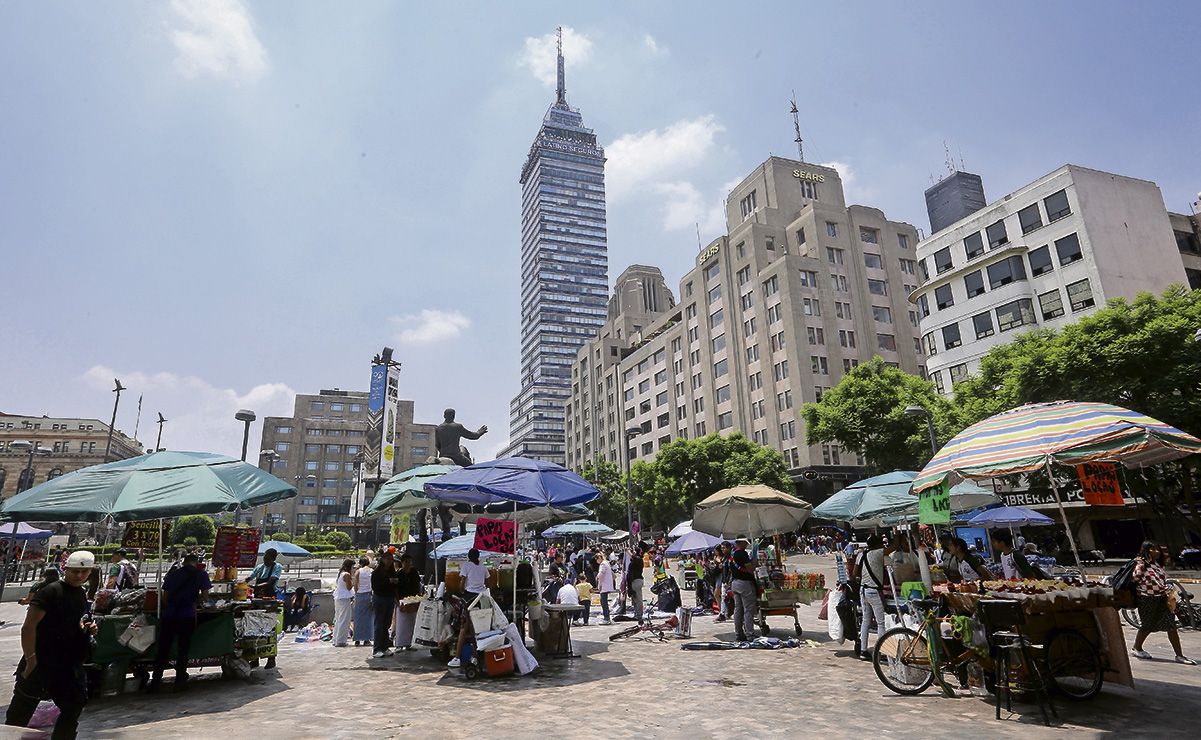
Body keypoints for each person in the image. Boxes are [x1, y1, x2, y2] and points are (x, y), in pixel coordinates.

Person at [5, 550, 98, 740]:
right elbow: (28, 628)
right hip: (42, 660)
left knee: (74, 704)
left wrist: (85, 628)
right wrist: (31, 660)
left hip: (67, 663)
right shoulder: (50, 591)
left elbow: (70, 622)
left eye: (84, 572)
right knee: (21, 712)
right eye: (75, 572)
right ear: (66, 569)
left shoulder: (80, 593)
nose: (79, 576)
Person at [147, 553, 212, 693]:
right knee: (183, 650)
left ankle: (155, 683)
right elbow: (205, 595)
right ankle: (179, 682)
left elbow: (165, 598)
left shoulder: (173, 574)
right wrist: (195, 602)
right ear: (196, 562)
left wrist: (172, 606)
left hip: (170, 615)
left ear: (184, 563)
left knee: (163, 650)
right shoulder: (201, 574)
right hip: (188, 615)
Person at [1130, 541, 1196, 664]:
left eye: (1158, 550)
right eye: (1153, 549)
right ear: (1146, 550)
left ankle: (1180, 655)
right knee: (1148, 625)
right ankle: (1136, 647)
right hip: (1146, 598)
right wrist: (1143, 563)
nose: (1157, 552)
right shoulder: (1140, 562)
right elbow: (1134, 577)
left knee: (1171, 625)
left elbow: (1160, 580)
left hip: (1161, 598)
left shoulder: (1157, 565)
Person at [448, 549, 490, 668]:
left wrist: (462, 590)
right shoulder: (483, 567)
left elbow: (462, 584)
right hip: (481, 598)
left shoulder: (466, 566)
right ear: (478, 556)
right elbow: (489, 585)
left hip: (469, 597)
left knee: (464, 627)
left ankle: (457, 658)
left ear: (469, 557)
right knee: (476, 628)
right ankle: (475, 656)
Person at [728, 539, 758, 642]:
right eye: (745, 543)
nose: (746, 545)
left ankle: (738, 634)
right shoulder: (742, 553)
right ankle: (750, 635)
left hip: (735, 583)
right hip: (745, 584)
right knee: (748, 610)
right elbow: (750, 569)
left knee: (738, 609)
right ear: (741, 543)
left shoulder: (731, 554)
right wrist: (754, 562)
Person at [371, 551, 398, 658]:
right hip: (380, 598)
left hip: (390, 598)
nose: (390, 561)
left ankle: (384, 646)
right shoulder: (377, 572)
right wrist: (388, 581)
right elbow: (375, 586)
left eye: (391, 559)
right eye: (388, 559)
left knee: (387, 623)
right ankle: (377, 648)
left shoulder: (392, 571)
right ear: (383, 559)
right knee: (379, 623)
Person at [352, 556, 374, 647]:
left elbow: (355, 585)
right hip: (369, 595)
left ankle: (357, 639)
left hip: (360, 595)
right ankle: (367, 638)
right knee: (368, 618)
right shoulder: (372, 571)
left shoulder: (358, 571)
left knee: (358, 617)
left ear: (361, 563)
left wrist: (356, 593)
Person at [333, 559, 355, 647]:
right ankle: (341, 640)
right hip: (344, 598)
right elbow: (349, 587)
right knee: (344, 619)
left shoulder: (340, 573)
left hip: (338, 598)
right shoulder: (347, 575)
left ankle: (336, 639)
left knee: (338, 618)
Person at [626, 543, 647, 623]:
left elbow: (633, 557)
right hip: (634, 581)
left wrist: (627, 550)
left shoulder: (638, 559)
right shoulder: (636, 561)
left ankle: (639, 615)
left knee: (638, 600)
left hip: (637, 581)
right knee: (634, 599)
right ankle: (637, 614)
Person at [595, 551, 615, 625]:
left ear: (599, 558)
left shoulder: (603, 564)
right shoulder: (607, 563)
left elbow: (601, 575)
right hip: (606, 585)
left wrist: (597, 579)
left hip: (604, 585)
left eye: (597, 560)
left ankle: (606, 618)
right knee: (604, 601)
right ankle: (607, 617)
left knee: (603, 602)